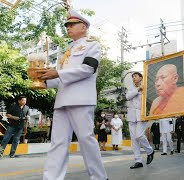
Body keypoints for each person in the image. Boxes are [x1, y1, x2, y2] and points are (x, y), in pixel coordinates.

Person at [37, 10, 108, 180]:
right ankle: (51, 178)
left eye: (72, 24)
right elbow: (60, 77)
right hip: (62, 100)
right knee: (58, 143)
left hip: (81, 99)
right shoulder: (66, 49)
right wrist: (43, 82)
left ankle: (99, 177)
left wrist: (57, 74)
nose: (68, 27)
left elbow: (88, 69)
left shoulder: (92, 45)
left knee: (86, 139)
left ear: (83, 27)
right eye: (67, 25)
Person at [126, 72, 154, 169]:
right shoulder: (130, 87)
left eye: (136, 76)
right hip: (131, 116)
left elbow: (150, 100)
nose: (134, 78)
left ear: (141, 77)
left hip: (142, 114)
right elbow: (128, 97)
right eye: (132, 77)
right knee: (134, 139)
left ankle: (150, 151)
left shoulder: (147, 87)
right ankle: (138, 160)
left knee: (139, 135)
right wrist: (138, 89)